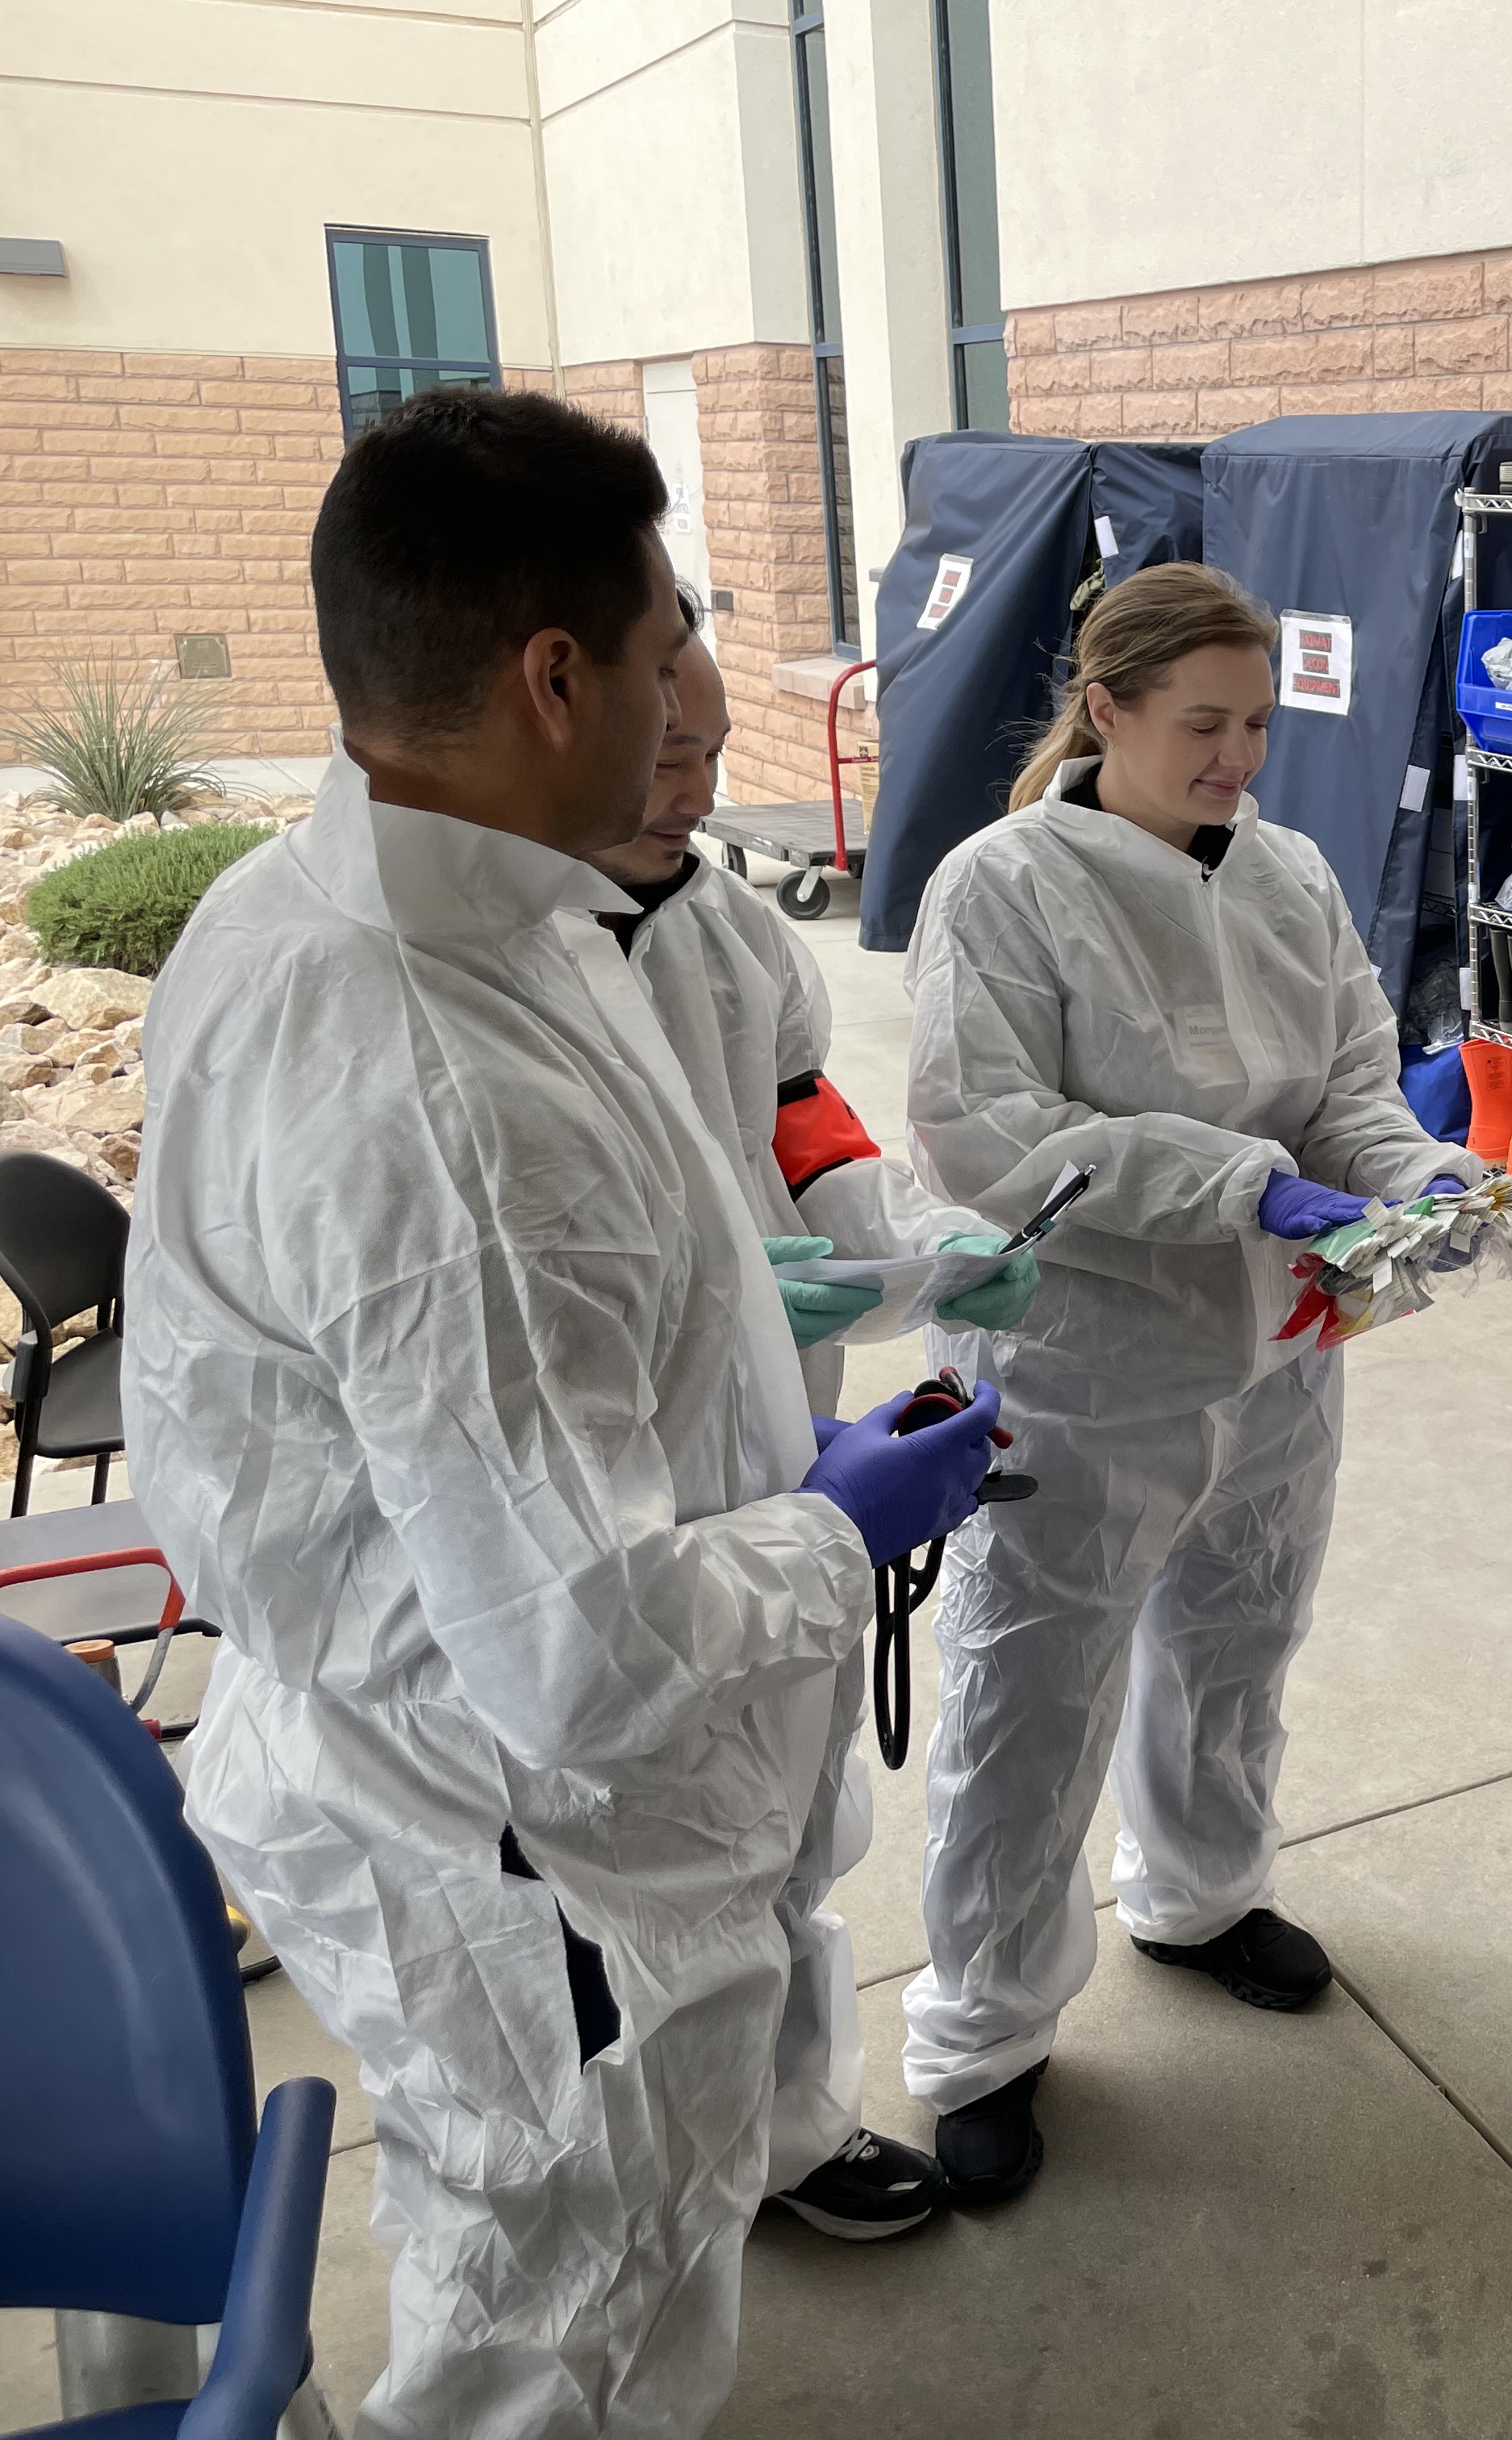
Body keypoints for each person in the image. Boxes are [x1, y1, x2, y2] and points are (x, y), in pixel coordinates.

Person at [127, 387, 1000, 2440]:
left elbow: (739, 1174)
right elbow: (581, 1653)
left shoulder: (351, 909)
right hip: (525, 1856)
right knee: (561, 2335)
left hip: (433, 1760)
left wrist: (828, 1295)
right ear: (552, 678)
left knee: (543, 2274)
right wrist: (836, 1525)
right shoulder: (446, 1092)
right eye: (666, 633)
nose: (694, 680)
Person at [896, 562, 1481, 2201]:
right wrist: (1241, 1185)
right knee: (1035, 1690)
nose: (1239, 759)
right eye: (1204, 726)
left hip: (1277, 1345)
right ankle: (987, 2033)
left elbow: (1353, 1081)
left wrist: (1413, 1172)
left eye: (1258, 726)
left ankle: (1202, 1895)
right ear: (1107, 711)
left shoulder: (1287, 874)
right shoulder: (1003, 885)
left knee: (1241, 1631)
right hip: (1084, 1358)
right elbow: (989, 1132)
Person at [579, 629, 1041, 2243]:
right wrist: (695, 1291)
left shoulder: (724, 931)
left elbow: (810, 1130)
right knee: (614, 1883)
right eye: (658, 754)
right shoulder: (491, 975)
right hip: (585, 1510)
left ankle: (783, 2136)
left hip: (781, 1453)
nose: (691, 789)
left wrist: (920, 1243)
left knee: (782, 1815)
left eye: (709, 752)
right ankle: (648, 2188)